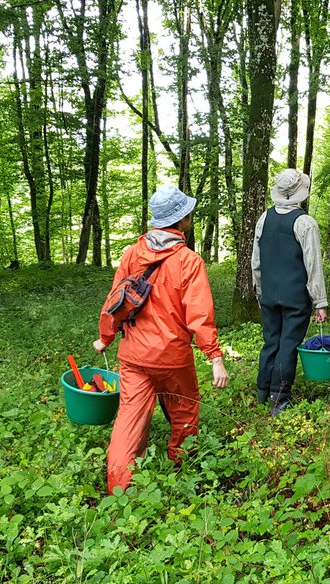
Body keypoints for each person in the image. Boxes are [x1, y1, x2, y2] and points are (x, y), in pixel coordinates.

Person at [93, 185, 229, 495]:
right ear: (182, 220)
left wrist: (105, 338)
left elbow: (114, 301)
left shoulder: (132, 253)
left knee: (129, 421)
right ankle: (183, 468)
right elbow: (200, 314)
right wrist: (215, 357)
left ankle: (119, 490)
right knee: (184, 410)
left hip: (133, 356)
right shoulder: (189, 261)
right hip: (172, 358)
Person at [251, 168, 328, 416]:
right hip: (295, 296)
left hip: (269, 293)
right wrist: (320, 301)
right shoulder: (305, 223)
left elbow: (256, 261)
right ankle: (280, 399)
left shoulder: (264, 218)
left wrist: (259, 289)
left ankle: (263, 392)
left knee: (271, 341)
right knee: (288, 345)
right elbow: (313, 266)